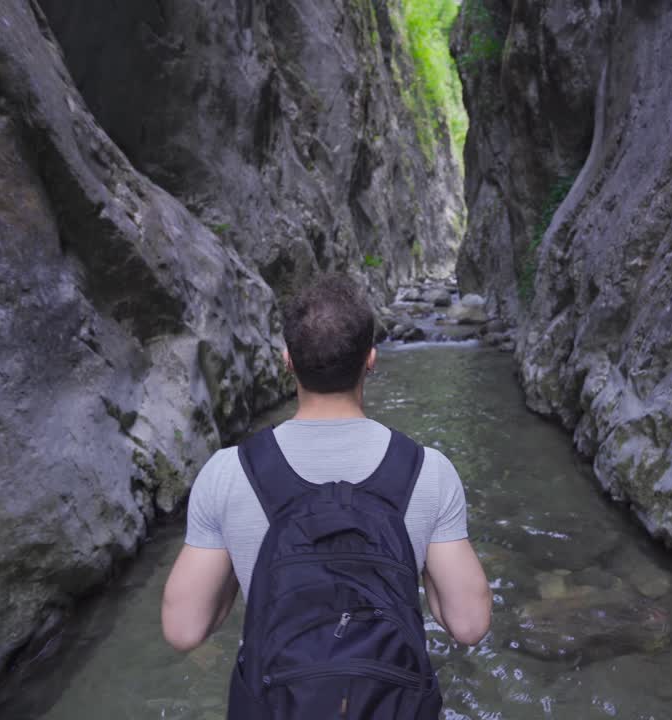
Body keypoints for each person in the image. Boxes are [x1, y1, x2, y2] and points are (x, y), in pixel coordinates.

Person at [161, 273, 491, 715]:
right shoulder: (428, 471)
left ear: (287, 361)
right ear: (370, 360)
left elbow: (184, 630)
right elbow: (469, 625)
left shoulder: (228, 472)